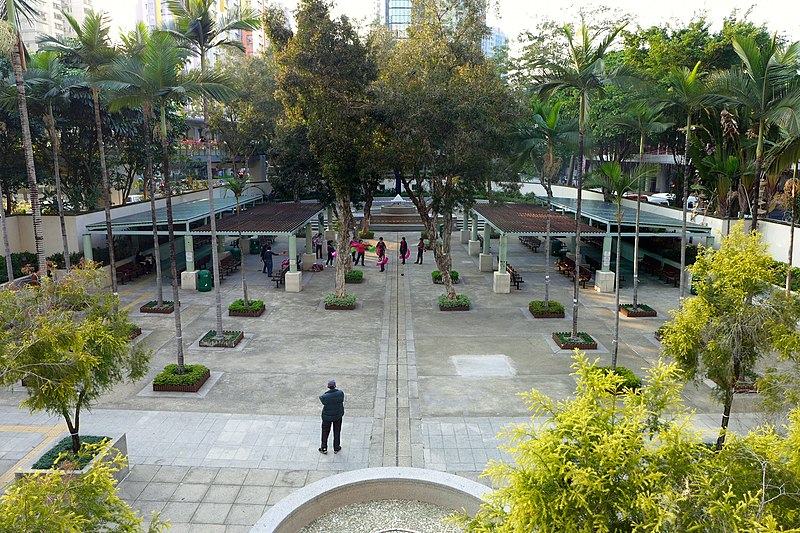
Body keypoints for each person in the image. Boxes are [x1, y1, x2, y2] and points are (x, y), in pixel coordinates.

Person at [319, 379, 344, 454]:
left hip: (327, 417)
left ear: (328, 387)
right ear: (335, 386)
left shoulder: (324, 396)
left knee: (325, 432)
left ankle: (324, 448)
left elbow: (322, 400)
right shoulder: (340, 393)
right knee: (337, 431)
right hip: (338, 416)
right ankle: (336, 447)